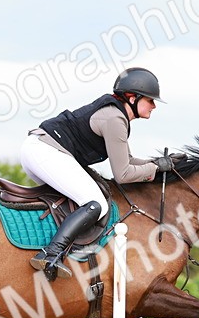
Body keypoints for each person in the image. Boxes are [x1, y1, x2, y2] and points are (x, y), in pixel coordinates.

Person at [20, 67, 184, 281]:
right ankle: (50, 255)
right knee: (95, 203)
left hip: (43, 151)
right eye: (150, 100)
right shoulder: (115, 119)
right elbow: (123, 174)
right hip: (45, 152)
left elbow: (128, 161)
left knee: (87, 196)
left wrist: (160, 163)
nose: (154, 106)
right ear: (133, 98)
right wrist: (156, 168)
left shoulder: (116, 115)